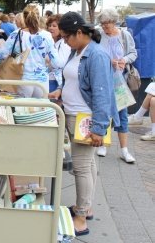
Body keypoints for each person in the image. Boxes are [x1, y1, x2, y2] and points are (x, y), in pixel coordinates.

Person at [49, 12, 119, 237]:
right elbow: (73, 78)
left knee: (80, 167)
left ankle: (80, 217)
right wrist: (61, 90)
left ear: (80, 33)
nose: (65, 41)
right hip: (73, 113)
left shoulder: (96, 55)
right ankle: (86, 207)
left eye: (67, 36)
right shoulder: (77, 50)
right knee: (87, 165)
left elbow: (101, 93)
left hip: (84, 118)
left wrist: (99, 128)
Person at [0, 4, 62, 98]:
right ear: (38, 17)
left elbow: (0, 55)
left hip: (23, 80)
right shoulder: (47, 35)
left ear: (24, 18)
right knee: (40, 112)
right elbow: (57, 63)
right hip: (42, 83)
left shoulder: (16, 34)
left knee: (22, 111)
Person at [96, 8, 137, 163]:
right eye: (103, 24)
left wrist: (123, 60)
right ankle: (103, 144)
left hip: (120, 81)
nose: (105, 27)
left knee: (122, 115)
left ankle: (124, 150)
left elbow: (133, 53)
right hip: (103, 80)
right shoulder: (99, 35)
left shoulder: (125, 35)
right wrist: (108, 61)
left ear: (114, 22)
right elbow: (96, 54)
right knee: (104, 111)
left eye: (107, 24)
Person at [46, 14, 71, 92]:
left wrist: (48, 61)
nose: (51, 28)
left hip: (56, 82)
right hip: (47, 79)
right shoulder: (49, 41)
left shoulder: (64, 43)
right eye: (49, 25)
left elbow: (61, 63)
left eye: (54, 26)